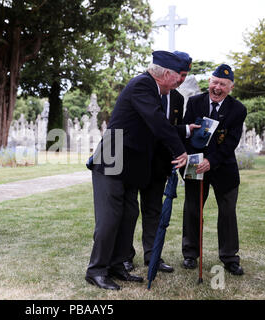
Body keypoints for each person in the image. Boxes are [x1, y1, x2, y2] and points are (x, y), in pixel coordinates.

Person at [85, 51, 188, 290]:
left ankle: (118, 264)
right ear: (164, 75)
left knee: (129, 215)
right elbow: (156, 120)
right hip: (112, 159)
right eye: (176, 78)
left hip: (130, 165)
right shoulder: (142, 84)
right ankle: (96, 270)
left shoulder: (154, 89)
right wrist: (179, 150)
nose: (178, 83)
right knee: (109, 219)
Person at [123, 51, 201, 274]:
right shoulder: (144, 87)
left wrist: (186, 130)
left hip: (159, 164)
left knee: (154, 212)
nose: (181, 79)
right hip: (136, 160)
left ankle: (153, 256)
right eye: (180, 74)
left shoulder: (176, 98)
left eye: (185, 75)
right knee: (130, 212)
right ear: (168, 72)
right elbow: (153, 124)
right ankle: (125, 257)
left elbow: (168, 127)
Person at [181, 64, 247, 275]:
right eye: (215, 82)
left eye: (223, 85)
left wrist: (211, 160)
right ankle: (190, 254)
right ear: (209, 82)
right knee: (192, 209)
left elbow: (230, 143)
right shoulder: (194, 102)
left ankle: (229, 257)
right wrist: (192, 158)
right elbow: (187, 133)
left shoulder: (238, 110)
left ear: (231, 87)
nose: (217, 88)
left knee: (227, 213)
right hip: (195, 164)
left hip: (223, 168)